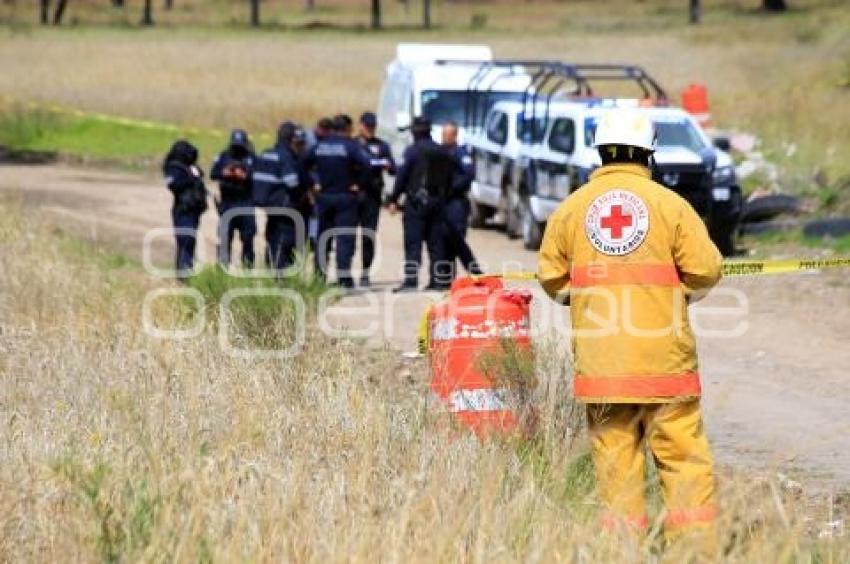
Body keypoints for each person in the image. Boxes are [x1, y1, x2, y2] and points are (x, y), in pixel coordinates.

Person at [537, 108, 722, 555]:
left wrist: (582, 300)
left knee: (616, 465)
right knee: (683, 462)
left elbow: (550, 276)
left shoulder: (572, 209)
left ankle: (622, 551)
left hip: (603, 368)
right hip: (665, 366)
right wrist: (676, 293)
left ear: (600, 152)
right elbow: (706, 269)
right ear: (649, 154)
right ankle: (694, 550)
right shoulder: (670, 205)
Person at [302, 115, 372, 288]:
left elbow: (301, 164)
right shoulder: (351, 146)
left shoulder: (319, 146)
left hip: (324, 197)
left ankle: (319, 277)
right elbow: (367, 165)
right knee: (345, 239)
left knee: (323, 238)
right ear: (347, 128)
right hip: (345, 197)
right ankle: (344, 278)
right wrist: (359, 184)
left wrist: (312, 184)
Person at [386, 116, 454, 292]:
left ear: (415, 132)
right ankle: (438, 281)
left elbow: (402, 177)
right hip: (437, 203)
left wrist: (393, 199)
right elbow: (450, 178)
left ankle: (411, 281)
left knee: (413, 243)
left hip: (416, 204)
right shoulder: (441, 150)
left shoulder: (413, 151)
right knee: (436, 244)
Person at [252, 121, 312, 273]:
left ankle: (271, 273)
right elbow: (292, 182)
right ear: (291, 140)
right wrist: (303, 195)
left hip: (269, 207)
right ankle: (281, 279)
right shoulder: (286, 156)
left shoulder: (266, 153)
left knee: (272, 241)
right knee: (285, 244)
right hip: (286, 209)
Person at [355, 111, 396, 286]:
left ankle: (365, 273)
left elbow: (394, 169)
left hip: (372, 196)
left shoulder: (382, 146)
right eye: (367, 126)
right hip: (354, 195)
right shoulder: (352, 144)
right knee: (346, 236)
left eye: (373, 126)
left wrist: (388, 165)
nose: (370, 130)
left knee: (368, 236)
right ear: (360, 125)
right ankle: (345, 273)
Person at [441, 121, 483, 279]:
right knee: (444, 239)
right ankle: (445, 276)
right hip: (443, 203)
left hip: (456, 202)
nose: (444, 138)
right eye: (443, 134)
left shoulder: (460, 153)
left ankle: (475, 270)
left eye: (447, 135)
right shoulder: (440, 152)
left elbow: (469, 174)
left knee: (457, 238)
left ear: (455, 135)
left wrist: (452, 188)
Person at [210, 129, 256, 269]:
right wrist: (224, 172)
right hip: (227, 203)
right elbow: (213, 173)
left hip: (245, 203)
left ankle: (247, 270)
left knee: (247, 240)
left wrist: (245, 176)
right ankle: (223, 270)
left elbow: (258, 176)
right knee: (224, 239)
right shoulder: (223, 156)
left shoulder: (252, 157)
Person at [163, 140, 208, 279]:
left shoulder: (189, 167)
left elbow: (201, 174)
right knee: (185, 240)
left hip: (193, 209)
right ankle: (184, 275)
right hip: (183, 209)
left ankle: (185, 272)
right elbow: (174, 184)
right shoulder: (174, 167)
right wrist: (191, 178)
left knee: (189, 242)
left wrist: (195, 174)